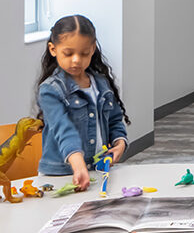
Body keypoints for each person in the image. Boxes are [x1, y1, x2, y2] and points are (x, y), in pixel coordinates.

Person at [34, 15, 131, 190]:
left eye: (84, 53)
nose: (76, 59)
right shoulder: (50, 90)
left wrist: (120, 144)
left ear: (92, 49)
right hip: (62, 175)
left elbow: (115, 120)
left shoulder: (101, 84)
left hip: (97, 171)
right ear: (53, 49)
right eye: (68, 53)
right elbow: (64, 129)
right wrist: (78, 164)